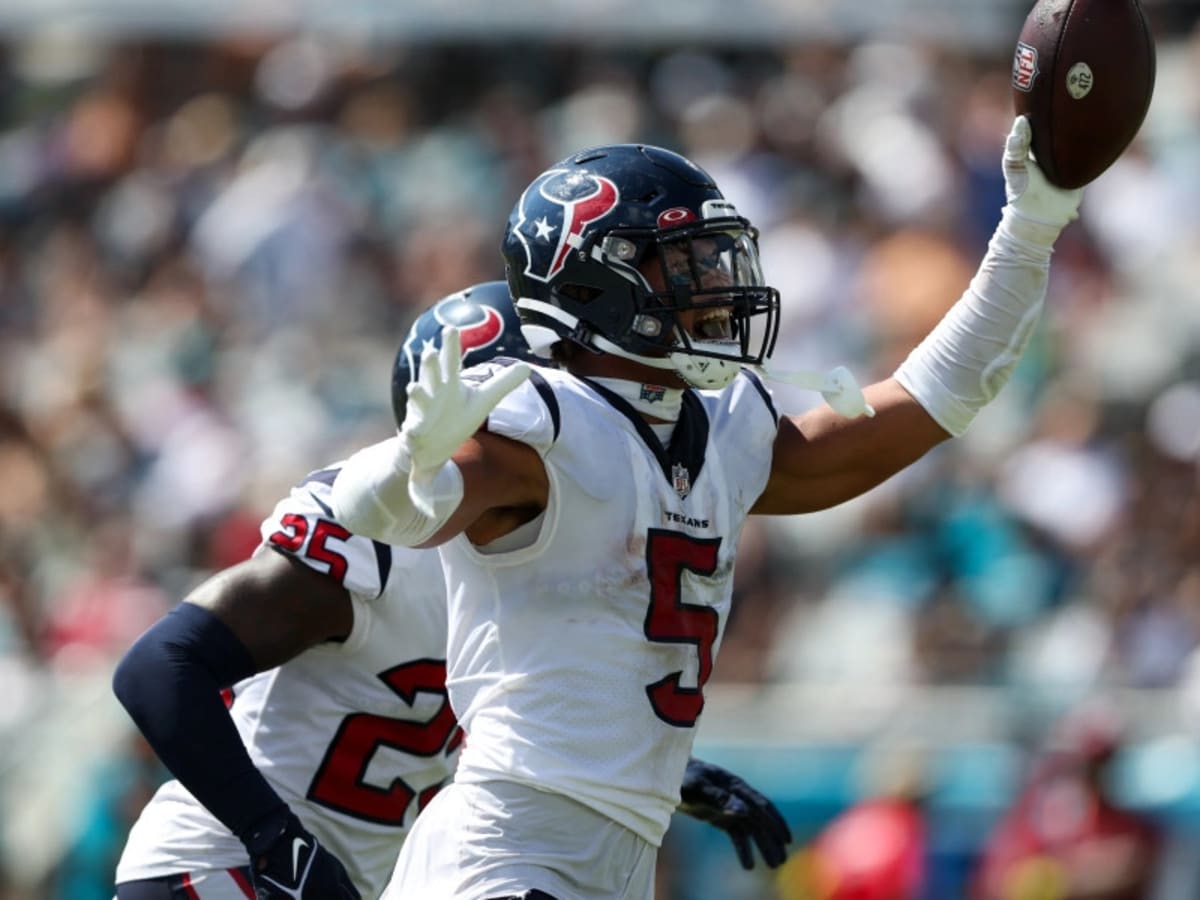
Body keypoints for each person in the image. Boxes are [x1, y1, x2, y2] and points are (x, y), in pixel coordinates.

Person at [330, 118, 1084, 900]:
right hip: (509, 848)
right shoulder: (544, 422)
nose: (716, 283)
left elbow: (939, 397)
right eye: (682, 263)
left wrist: (1030, 227)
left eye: (712, 256)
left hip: (616, 852)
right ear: (594, 285)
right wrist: (409, 461)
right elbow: (390, 514)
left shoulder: (723, 430)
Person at [110, 282, 791, 900]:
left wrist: (669, 776)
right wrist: (276, 843)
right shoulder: (376, 543)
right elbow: (158, 666)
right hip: (222, 870)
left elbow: (497, 724)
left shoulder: (541, 565)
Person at [972, 704, 1163, 900]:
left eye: (1103, 763)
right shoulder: (1041, 816)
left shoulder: (1134, 828)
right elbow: (998, 881)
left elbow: (1135, 869)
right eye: (1086, 762)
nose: (1094, 773)